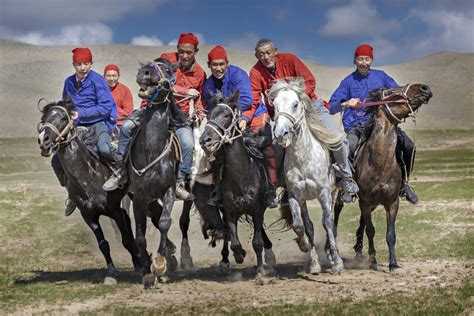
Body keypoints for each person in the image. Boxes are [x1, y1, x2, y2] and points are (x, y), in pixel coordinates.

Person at [247, 39, 359, 198]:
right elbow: (254, 99)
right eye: (261, 54)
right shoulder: (256, 72)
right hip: (283, 115)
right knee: (273, 147)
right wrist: (245, 117)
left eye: (268, 52)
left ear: (275, 51)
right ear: (256, 56)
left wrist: (297, 97)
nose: (265, 57)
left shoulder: (290, 59)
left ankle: (345, 177)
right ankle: (281, 185)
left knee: (338, 139)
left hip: (310, 106)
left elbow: (309, 81)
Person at [103, 33, 205, 200]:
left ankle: (179, 182)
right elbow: (159, 81)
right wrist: (185, 91)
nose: (184, 56)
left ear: (196, 51)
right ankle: (121, 170)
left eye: (189, 52)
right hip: (153, 109)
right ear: (177, 50)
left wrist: (199, 114)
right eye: (181, 51)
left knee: (187, 144)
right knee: (127, 127)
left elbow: (199, 98)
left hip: (178, 116)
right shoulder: (164, 61)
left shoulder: (199, 73)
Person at [328, 44, 418, 204]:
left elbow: (397, 92)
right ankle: (349, 186)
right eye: (360, 59)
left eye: (367, 59)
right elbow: (332, 105)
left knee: (409, 146)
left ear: (372, 60)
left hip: (384, 125)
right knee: (348, 147)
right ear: (355, 61)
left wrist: (404, 99)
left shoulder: (381, 76)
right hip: (357, 126)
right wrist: (347, 102)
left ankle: (404, 185)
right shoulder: (348, 82)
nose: (364, 62)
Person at [202, 45, 278, 208]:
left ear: (227, 64)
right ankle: (218, 190)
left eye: (221, 64)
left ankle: (270, 190)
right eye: (214, 64)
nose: (218, 68)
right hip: (227, 121)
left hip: (254, 114)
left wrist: (238, 117)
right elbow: (208, 107)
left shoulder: (238, 75)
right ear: (209, 65)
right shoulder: (208, 85)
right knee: (216, 151)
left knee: (265, 146)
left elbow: (247, 100)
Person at [52, 47, 118, 216]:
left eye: (86, 63)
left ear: (91, 63)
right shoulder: (68, 82)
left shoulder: (97, 80)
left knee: (104, 148)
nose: (83, 67)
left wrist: (81, 114)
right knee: (56, 161)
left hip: (98, 124)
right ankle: (72, 194)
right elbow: (67, 104)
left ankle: (121, 177)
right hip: (77, 127)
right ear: (74, 64)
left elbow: (105, 106)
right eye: (79, 64)